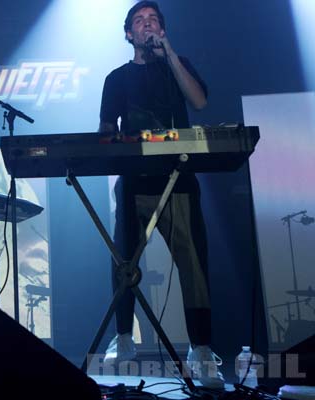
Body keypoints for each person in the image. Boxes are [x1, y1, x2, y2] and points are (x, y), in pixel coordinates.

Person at [98, 2, 224, 389]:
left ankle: (201, 349)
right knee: (124, 263)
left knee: (194, 266)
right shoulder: (117, 79)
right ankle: (123, 340)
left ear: (162, 30)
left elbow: (200, 101)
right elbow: (105, 132)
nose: (147, 25)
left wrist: (169, 53)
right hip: (135, 184)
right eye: (140, 21)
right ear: (129, 34)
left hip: (178, 182)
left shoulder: (176, 65)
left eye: (153, 21)